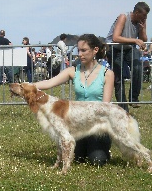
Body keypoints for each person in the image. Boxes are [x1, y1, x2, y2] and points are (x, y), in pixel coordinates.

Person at [34, 34, 115, 166]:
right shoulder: (73, 71)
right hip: (78, 125)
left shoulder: (107, 74)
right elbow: (49, 83)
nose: (80, 54)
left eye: (84, 50)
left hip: (98, 125)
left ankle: (103, 147)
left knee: (97, 160)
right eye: (79, 50)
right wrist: (27, 86)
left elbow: (105, 107)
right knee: (78, 159)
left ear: (95, 50)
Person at [106, 1, 150, 112]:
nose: (145, 18)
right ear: (136, 13)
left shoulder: (142, 21)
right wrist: (135, 40)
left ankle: (133, 98)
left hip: (128, 48)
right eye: (143, 16)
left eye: (146, 16)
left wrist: (142, 29)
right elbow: (116, 38)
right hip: (114, 48)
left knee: (138, 67)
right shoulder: (123, 17)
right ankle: (123, 109)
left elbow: (143, 40)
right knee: (118, 79)